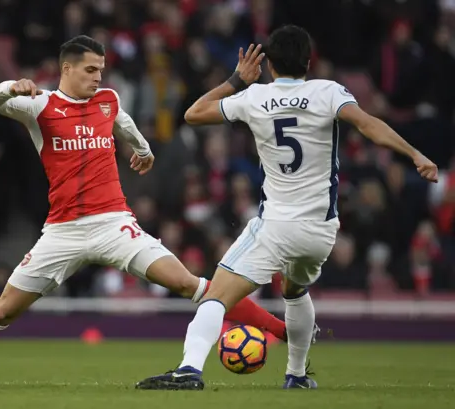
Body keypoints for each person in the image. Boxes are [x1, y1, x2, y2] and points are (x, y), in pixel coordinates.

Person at [0, 35, 290, 385]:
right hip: (62, 231)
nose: (98, 77)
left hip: (114, 223)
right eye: (90, 69)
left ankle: (282, 330)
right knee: (1, 312)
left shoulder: (107, 100)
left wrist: (143, 151)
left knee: (190, 284)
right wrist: (14, 86)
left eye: (101, 69)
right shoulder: (40, 105)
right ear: (67, 69)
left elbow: (126, 125)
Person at [135, 25, 438, 391]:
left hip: (276, 226)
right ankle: (295, 375)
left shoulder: (256, 96)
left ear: (269, 65)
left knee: (216, 295)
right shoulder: (328, 92)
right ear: (309, 62)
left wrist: (237, 80)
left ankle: (188, 371)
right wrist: (415, 154)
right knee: (294, 291)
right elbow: (368, 124)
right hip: (321, 231)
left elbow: (194, 114)